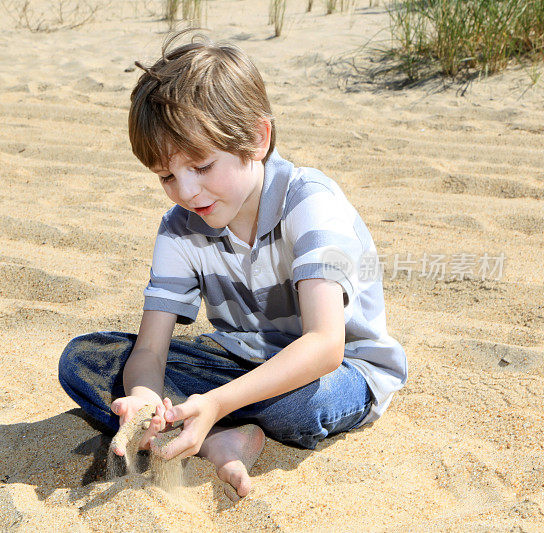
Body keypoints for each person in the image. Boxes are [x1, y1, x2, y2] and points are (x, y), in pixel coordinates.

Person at [58, 33, 407, 501]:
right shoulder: (180, 228)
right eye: (166, 175)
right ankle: (217, 435)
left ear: (257, 139)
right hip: (242, 359)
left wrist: (218, 400)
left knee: (295, 406)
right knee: (87, 360)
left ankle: (216, 418)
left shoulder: (310, 202)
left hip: (341, 373)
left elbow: (325, 345)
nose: (186, 191)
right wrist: (143, 397)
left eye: (201, 165)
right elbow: (150, 352)